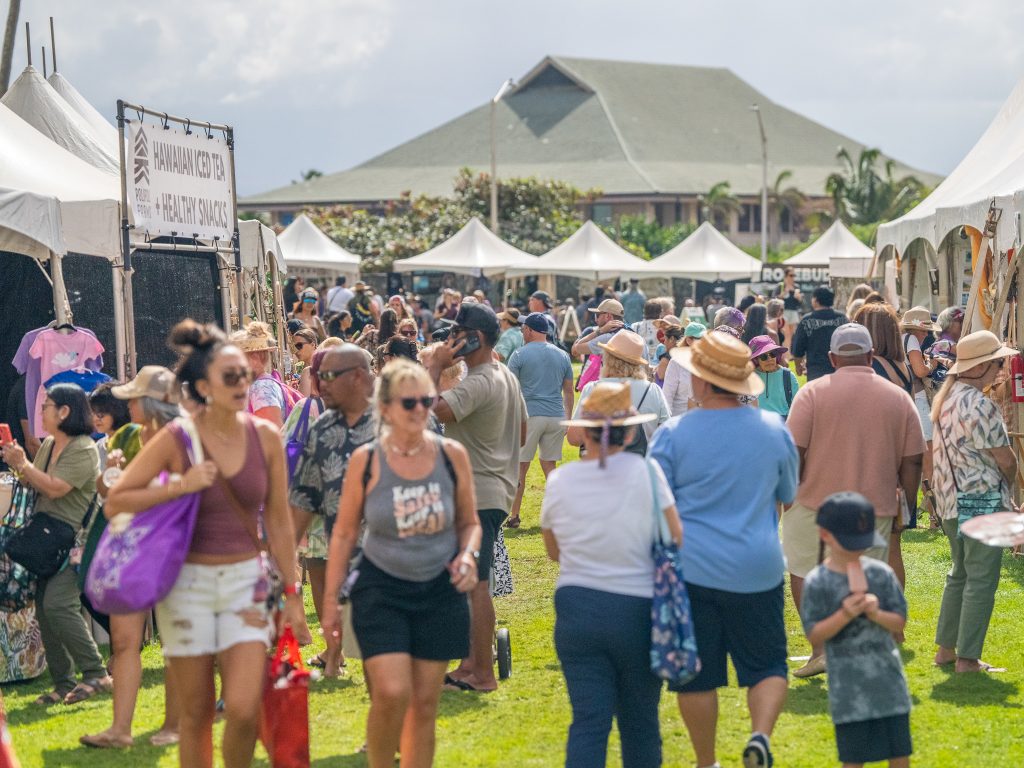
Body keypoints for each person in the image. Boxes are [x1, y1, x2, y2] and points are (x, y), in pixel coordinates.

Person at [105, 320, 303, 768]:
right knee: (195, 714)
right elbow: (117, 500)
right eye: (230, 376)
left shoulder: (266, 437)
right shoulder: (179, 437)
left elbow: (279, 519)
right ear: (202, 386)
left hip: (246, 584)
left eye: (245, 375)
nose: (243, 383)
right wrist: (179, 485)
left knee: (244, 706)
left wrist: (291, 593)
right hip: (188, 585)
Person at [320, 360, 481, 767]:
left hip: (439, 589)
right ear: (386, 408)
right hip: (382, 587)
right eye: (409, 402)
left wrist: (468, 554)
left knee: (425, 703)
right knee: (392, 692)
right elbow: (342, 534)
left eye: (427, 400)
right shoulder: (368, 460)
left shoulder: (452, 455)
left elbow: (469, 522)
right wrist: (330, 601)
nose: (421, 410)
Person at [649, 332, 798, 768]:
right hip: (759, 565)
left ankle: (706, 760)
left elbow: (655, 505)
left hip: (692, 569)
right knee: (768, 664)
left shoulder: (671, 434)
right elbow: (788, 494)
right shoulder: (774, 430)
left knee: (696, 675)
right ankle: (760, 736)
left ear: (701, 380)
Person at [542, 381, 681, 768]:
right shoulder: (648, 473)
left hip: (577, 608)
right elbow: (675, 537)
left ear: (584, 430)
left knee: (589, 721)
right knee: (640, 722)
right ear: (633, 430)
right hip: (638, 609)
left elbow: (554, 552)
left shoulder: (560, 481)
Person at [785, 323, 923, 679]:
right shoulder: (898, 397)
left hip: (812, 500)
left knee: (803, 570)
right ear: (870, 355)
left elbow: (794, 451)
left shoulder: (811, 393)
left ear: (831, 358)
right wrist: (906, 505)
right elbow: (913, 460)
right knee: (867, 576)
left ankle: (820, 650)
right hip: (874, 503)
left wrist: (789, 492)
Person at [424, 302, 527, 693]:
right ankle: (471, 665)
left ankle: (481, 673)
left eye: (457, 332)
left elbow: (430, 413)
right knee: (472, 582)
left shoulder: (481, 380)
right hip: (494, 489)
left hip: (479, 492)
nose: (450, 340)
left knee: (475, 584)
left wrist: (434, 367)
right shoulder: (503, 375)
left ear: (476, 338)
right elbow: (521, 432)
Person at [80, 367, 183, 749]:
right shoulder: (124, 435)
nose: (128, 403)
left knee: (174, 641)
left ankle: (173, 725)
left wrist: (129, 486)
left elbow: (185, 494)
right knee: (124, 643)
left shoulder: (182, 440)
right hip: (129, 547)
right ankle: (120, 729)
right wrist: (110, 475)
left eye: (134, 397)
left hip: (172, 547)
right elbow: (105, 491)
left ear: (152, 403)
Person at [1, 384, 108, 707]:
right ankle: (64, 683)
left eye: (46, 405)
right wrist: (18, 464)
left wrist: (24, 464)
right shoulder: (49, 445)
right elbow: (35, 484)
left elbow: (57, 488)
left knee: (59, 605)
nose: (41, 411)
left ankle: (95, 673)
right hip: (48, 540)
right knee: (45, 611)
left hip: (74, 541)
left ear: (64, 412)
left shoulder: (83, 449)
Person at [800, 493, 912, 768]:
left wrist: (876, 613)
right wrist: (844, 614)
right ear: (825, 535)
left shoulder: (880, 574)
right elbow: (815, 635)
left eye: (863, 545)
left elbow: (899, 623)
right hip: (848, 690)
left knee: (899, 753)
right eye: (850, 545)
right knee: (853, 757)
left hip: (889, 684)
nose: (857, 552)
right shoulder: (818, 582)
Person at [931, 330, 1017, 674]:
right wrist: (1008, 494)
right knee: (980, 578)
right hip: (981, 500)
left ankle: (947, 650)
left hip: (950, 500)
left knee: (960, 575)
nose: (1002, 369)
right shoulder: (980, 404)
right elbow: (1005, 459)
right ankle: (967, 659)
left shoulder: (947, 398)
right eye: (999, 362)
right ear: (982, 365)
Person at [290, 344, 376, 677]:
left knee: (389, 673)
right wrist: (284, 571)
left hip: (394, 563)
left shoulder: (396, 420)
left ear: (357, 377)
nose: (319, 384)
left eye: (327, 376)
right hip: (343, 561)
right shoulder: (323, 430)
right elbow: (302, 501)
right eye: (316, 376)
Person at [506, 313, 575, 529]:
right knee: (550, 467)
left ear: (530, 330)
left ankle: (514, 515)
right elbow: (569, 391)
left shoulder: (518, 355)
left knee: (520, 468)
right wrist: (568, 418)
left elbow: (510, 389)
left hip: (529, 416)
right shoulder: (563, 355)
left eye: (523, 328)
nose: (521, 332)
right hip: (556, 416)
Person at [568, 331, 670, 454]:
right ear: (637, 363)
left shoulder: (593, 389)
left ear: (608, 358)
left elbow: (574, 438)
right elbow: (666, 435)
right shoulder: (653, 390)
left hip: (602, 465)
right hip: (641, 465)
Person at [900, 307, 942, 515]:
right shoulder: (912, 340)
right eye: (924, 330)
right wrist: (931, 364)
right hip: (916, 398)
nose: (926, 334)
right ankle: (934, 514)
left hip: (903, 398)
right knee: (929, 455)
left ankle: (907, 511)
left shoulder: (900, 338)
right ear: (916, 328)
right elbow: (919, 371)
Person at [231, 321, 288, 428]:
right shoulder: (261, 385)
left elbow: (273, 433)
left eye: (237, 357)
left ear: (255, 357)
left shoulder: (261, 388)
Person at [791, 286, 847, 380]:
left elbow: (798, 349)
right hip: (839, 368)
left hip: (816, 371)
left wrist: (798, 366)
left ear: (815, 300)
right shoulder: (842, 318)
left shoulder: (807, 320)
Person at [749, 336, 799, 419]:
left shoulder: (788, 376)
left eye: (772, 354)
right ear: (756, 359)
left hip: (782, 424)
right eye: (763, 357)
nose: (769, 359)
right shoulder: (750, 377)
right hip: (757, 423)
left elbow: (797, 406)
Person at [662, 322, 706, 416]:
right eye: (699, 338)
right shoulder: (676, 362)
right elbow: (667, 395)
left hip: (702, 420)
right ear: (689, 340)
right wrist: (668, 422)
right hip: (679, 419)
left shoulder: (707, 362)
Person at [630, 299, 664, 365]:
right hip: (659, 365)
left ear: (644, 311)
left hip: (639, 364)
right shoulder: (665, 328)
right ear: (660, 313)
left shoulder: (635, 326)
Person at [291, 327, 318, 397]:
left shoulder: (319, 367)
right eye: (293, 347)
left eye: (299, 345)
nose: (296, 351)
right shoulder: (300, 368)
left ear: (312, 345)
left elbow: (302, 403)